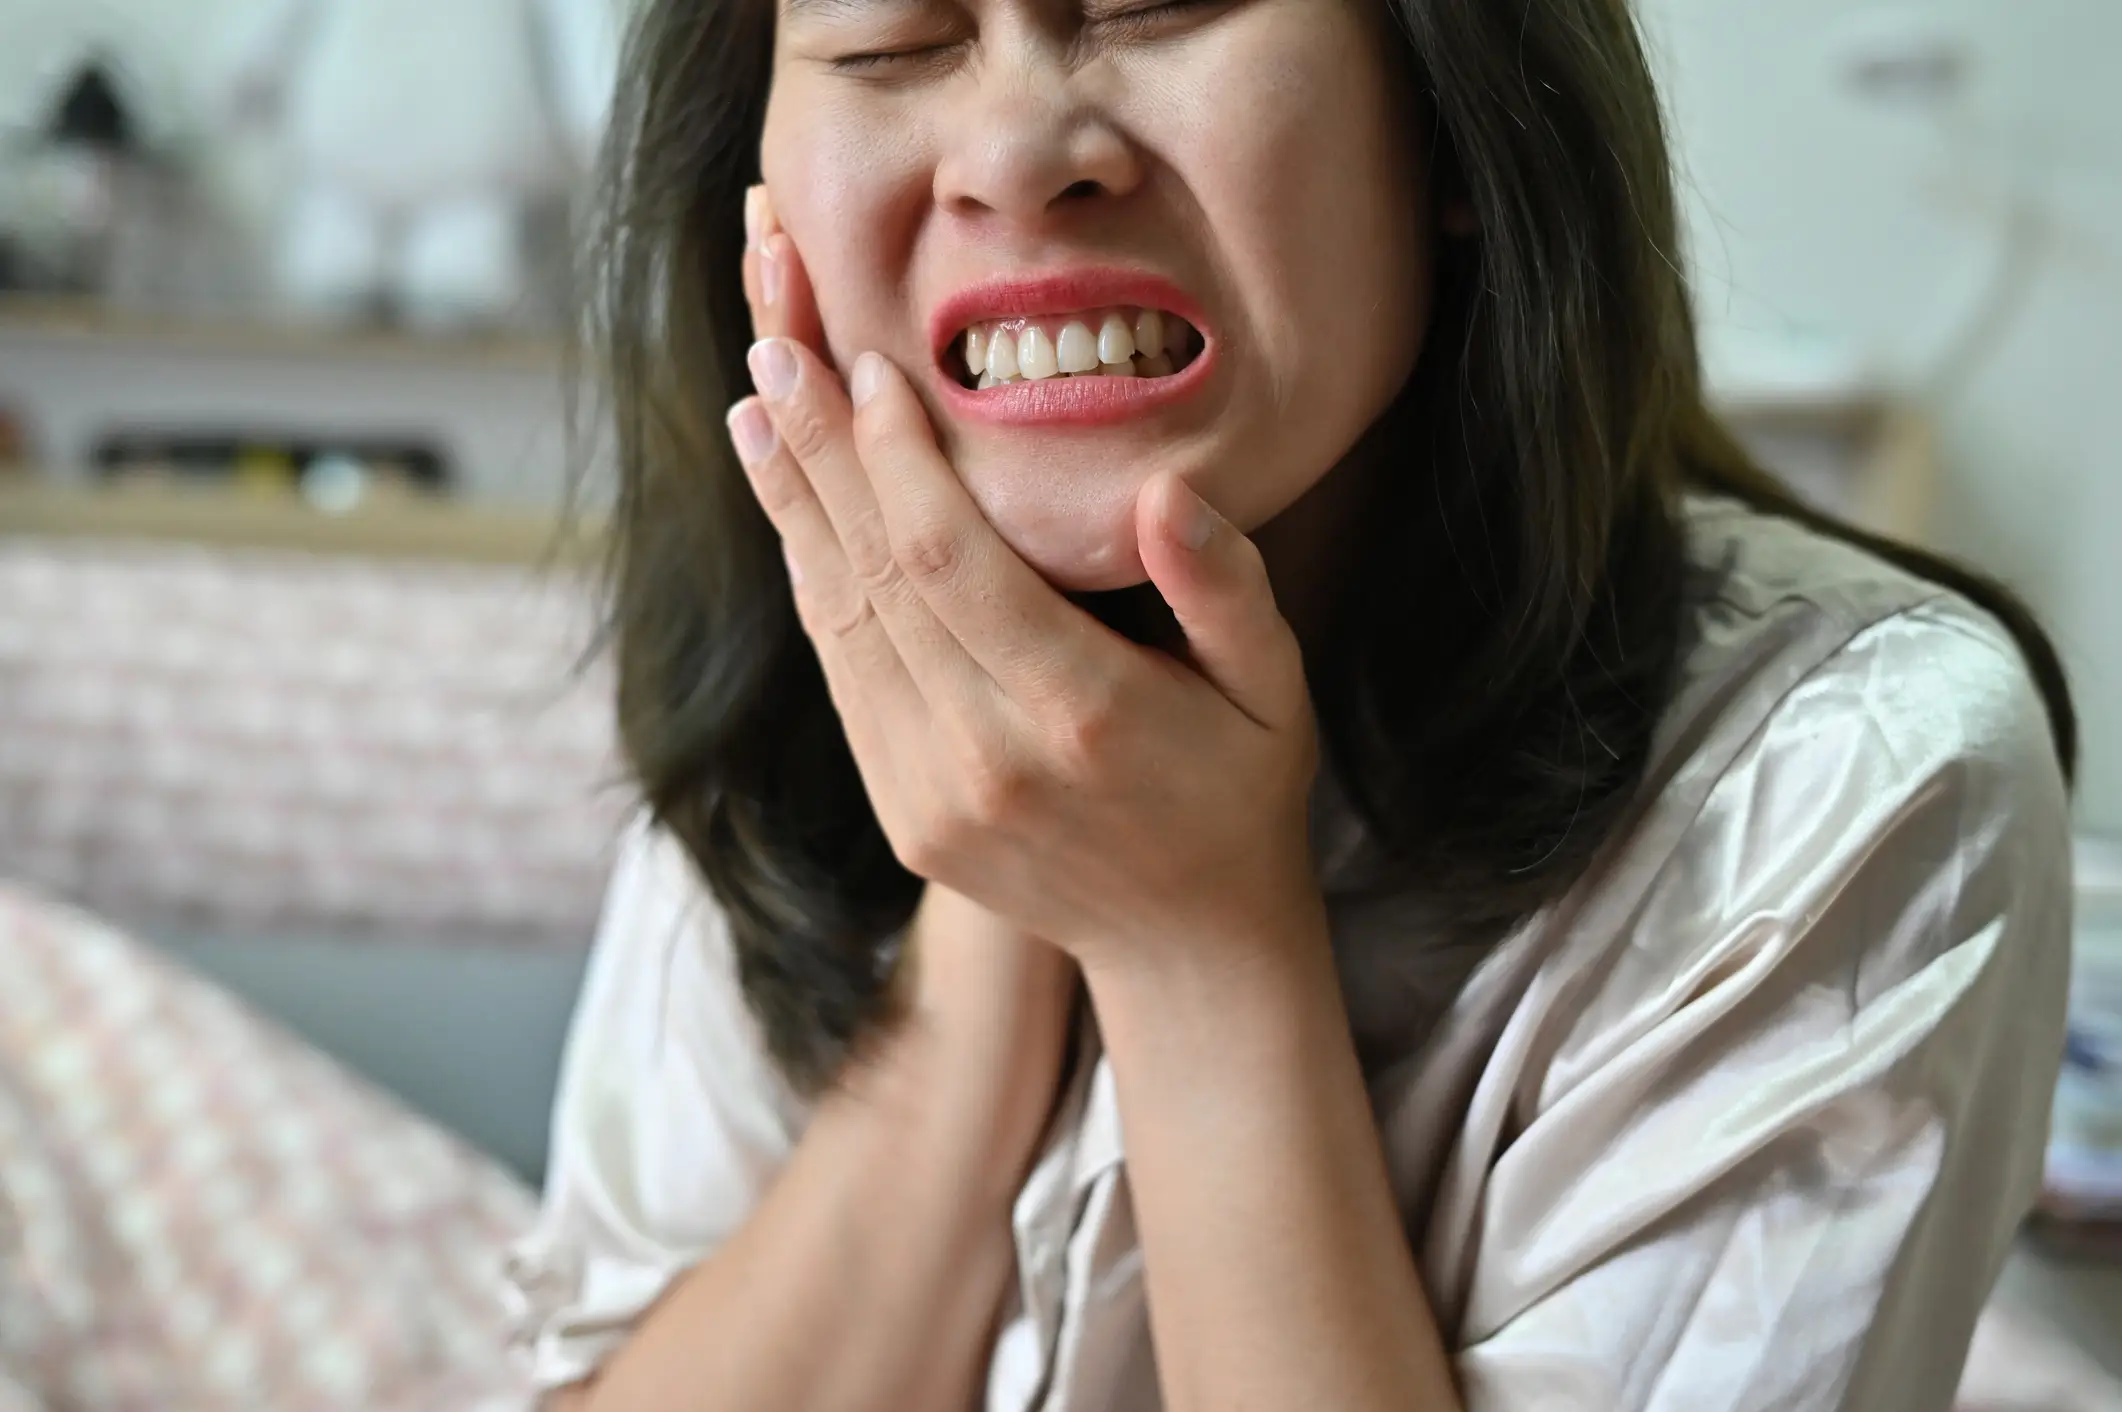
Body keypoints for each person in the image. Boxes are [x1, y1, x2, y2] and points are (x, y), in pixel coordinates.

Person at [504, 0, 2079, 1406]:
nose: (1015, 151)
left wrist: (1193, 942)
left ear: (1459, 121)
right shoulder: (793, 685)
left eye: (1156, 4)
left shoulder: (1856, 768)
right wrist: (994, 916)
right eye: (889, 42)